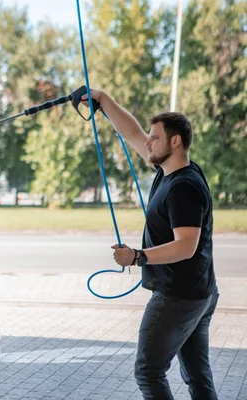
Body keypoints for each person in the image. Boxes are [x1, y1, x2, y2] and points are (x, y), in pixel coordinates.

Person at [82, 90, 219, 399]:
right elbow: (131, 132)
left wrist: (137, 257)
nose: (147, 141)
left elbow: (186, 246)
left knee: (148, 371)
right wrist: (102, 99)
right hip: (199, 292)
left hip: (178, 296)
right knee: (198, 375)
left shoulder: (184, 187)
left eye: (155, 137)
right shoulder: (171, 170)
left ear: (175, 142)